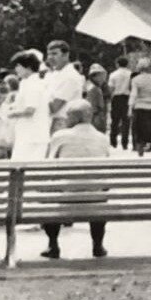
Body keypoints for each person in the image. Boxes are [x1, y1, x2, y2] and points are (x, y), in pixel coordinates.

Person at [41, 100, 111, 260]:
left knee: (51, 193)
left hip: (66, 197)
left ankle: (53, 244)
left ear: (73, 118)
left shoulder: (59, 136)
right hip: (95, 199)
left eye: (67, 116)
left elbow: (48, 166)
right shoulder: (102, 138)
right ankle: (98, 245)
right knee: (97, 191)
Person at [7, 50, 52, 160]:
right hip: (26, 134)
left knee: (25, 169)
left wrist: (10, 114)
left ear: (28, 66)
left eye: (18, 66)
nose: (16, 69)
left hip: (33, 137)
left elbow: (30, 110)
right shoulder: (25, 83)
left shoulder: (34, 84)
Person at [43, 40, 85, 133]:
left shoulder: (70, 76)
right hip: (50, 121)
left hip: (64, 123)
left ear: (65, 55)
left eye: (54, 54)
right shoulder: (53, 74)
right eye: (48, 54)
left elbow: (54, 107)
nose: (50, 57)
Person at [129, 59, 151, 155]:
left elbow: (134, 94)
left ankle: (140, 148)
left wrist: (130, 108)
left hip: (139, 106)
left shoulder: (135, 79)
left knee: (139, 129)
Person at [108, 55, 133, 149]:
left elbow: (111, 88)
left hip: (116, 98)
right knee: (126, 121)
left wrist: (110, 98)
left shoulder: (113, 74)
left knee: (115, 121)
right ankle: (124, 143)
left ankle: (113, 142)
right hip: (127, 98)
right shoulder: (131, 74)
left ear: (117, 64)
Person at [82, 65, 109, 136]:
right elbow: (101, 105)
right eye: (102, 76)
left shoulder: (86, 85)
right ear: (95, 76)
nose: (104, 79)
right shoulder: (96, 89)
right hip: (96, 117)